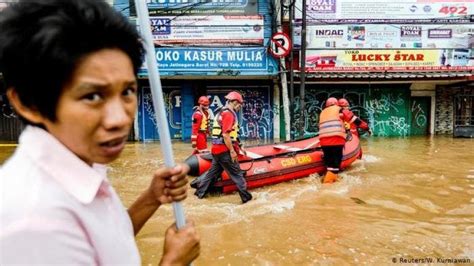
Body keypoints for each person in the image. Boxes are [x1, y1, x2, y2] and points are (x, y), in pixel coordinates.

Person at [0, 0, 200, 265]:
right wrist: (172, 262)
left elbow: (105, 244)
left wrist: (150, 199)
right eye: (93, 96)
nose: (119, 119)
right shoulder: (34, 220)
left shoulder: (83, 168)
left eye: (127, 91)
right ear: (28, 103)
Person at [193, 91, 253, 204]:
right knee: (237, 175)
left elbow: (230, 133)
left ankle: (198, 194)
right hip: (224, 151)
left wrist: (240, 145)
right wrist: (232, 151)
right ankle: (247, 199)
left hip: (216, 150)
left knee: (212, 173)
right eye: (240, 104)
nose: (240, 107)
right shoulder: (229, 114)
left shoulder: (221, 112)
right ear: (234, 102)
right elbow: (225, 134)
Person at [318, 97, 347, 184]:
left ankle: (331, 178)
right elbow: (353, 119)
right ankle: (327, 185)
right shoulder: (339, 110)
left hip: (324, 142)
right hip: (336, 141)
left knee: (330, 164)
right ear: (336, 103)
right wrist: (366, 127)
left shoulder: (322, 112)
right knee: (335, 165)